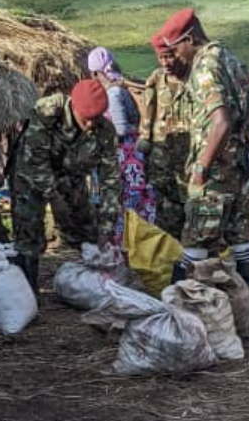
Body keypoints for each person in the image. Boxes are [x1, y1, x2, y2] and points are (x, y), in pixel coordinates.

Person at [155, 7, 249, 294]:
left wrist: (202, 167)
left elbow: (221, 120)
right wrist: (238, 147)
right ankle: (245, 311)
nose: (175, 55)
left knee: (194, 241)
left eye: (176, 47)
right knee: (242, 241)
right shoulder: (232, 60)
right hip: (238, 170)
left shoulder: (205, 68)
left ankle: (176, 314)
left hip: (213, 176)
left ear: (190, 40)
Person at [11, 79, 120, 292]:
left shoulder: (105, 130)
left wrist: (107, 227)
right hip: (32, 175)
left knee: (87, 228)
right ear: (74, 107)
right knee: (29, 229)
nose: (91, 126)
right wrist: (54, 198)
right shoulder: (48, 112)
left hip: (71, 177)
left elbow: (111, 180)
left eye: (96, 119)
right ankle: (28, 290)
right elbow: (35, 159)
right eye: (86, 119)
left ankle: (93, 284)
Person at [84, 45, 156, 242]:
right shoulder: (119, 87)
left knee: (129, 203)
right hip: (128, 156)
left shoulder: (113, 94)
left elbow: (121, 129)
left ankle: (130, 244)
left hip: (125, 158)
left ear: (96, 72)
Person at [139, 33, 189, 239]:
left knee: (189, 205)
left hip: (187, 157)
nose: (165, 62)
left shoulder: (192, 79)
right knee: (164, 209)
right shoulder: (156, 80)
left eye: (169, 56)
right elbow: (147, 115)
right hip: (161, 158)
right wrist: (144, 142)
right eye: (161, 58)